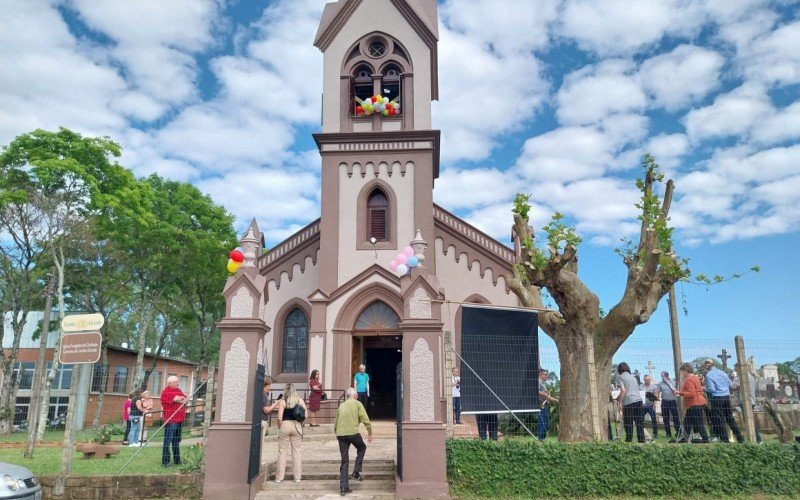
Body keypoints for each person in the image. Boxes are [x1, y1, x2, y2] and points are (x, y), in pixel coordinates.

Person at [334, 387, 373, 496]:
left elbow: (336, 422)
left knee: (344, 460)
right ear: (355, 396)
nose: (357, 396)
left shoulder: (341, 405)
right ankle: (356, 472)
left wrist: (337, 433)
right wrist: (370, 432)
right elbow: (365, 418)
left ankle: (343, 487)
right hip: (352, 433)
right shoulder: (357, 404)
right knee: (362, 448)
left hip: (341, 434)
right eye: (356, 395)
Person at [703, 359, 744, 443]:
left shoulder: (709, 375)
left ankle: (725, 440)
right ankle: (740, 438)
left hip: (717, 398)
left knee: (719, 420)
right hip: (726, 397)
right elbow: (730, 385)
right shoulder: (723, 373)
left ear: (707, 367)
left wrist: (703, 388)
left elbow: (712, 389)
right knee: (730, 418)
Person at [275, 383, 306, 483]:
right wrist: (300, 424)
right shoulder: (300, 400)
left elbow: (279, 417)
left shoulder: (283, 401)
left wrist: (280, 427)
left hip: (285, 425)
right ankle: (297, 477)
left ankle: (279, 477)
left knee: (282, 451)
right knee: (297, 452)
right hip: (297, 425)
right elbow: (306, 415)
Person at [675, 362, 709, 443]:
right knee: (687, 422)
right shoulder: (695, 377)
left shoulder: (689, 380)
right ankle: (685, 439)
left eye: (682, 371)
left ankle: (705, 440)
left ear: (686, 370)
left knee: (698, 423)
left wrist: (679, 393)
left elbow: (691, 393)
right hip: (695, 403)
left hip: (695, 403)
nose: (682, 374)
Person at [160, 375, 188, 466]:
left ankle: (177, 460)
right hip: (171, 419)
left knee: (177, 440)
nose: (178, 383)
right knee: (168, 441)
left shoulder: (178, 390)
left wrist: (178, 399)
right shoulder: (166, 392)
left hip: (179, 418)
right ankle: (165, 461)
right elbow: (175, 399)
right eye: (176, 382)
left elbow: (185, 399)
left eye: (178, 381)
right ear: (170, 383)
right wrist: (178, 399)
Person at [616, 362, 645, 443]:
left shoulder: (620, 377)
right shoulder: (634, 377)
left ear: (619, 369)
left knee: (629, 422)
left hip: (629, 402)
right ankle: (641, 441)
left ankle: (628, 440)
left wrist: (619, 402)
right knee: (639, 422)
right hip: (639, 400)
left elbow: (623, 390)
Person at [733, 363, 761, 443]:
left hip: (745, 402)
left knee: (749, 421)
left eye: (736, 369)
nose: (735, 370)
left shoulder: (742, 377)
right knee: (750, 420)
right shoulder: (751, 376)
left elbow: (734, 388)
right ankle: (756, 438)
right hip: (751, 401)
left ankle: (757, 439)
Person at [656, 371, 682, 442]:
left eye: (663, 376)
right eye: (661, 376)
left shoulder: (673, 382)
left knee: (675, 418)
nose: (662, 378)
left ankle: (678, 433)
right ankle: (668, 433)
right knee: (665, 418)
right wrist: (655, 396)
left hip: (673, 401)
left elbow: (677, 391)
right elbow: (657, 392)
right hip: (664, 402)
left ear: (667, 376)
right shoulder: (660, 384)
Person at [537, 368, 558, 440]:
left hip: (544, 405)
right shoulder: (538, 382)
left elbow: (546, 395)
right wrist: (547, 396)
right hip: (541, 405)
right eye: (545, 374)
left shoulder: (543, 384)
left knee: (543, 424)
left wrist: (554, 399)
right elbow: (537, 392)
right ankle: (540, 441)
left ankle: (540, 441)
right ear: (540, 374)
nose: (546, 376)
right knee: (544, 424)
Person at [641, 374, 659, 439]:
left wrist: (654, 404)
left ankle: (655, 433)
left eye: (648, 379)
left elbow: (656, 395)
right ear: (644, 380)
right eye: (646, 380)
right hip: (642, 406)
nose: (647, 381)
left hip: (651, 405)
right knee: (640, 419)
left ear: (650, 380)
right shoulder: (640, 386)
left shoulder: (654, 386)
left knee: (653, 419)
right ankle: (642, 432)